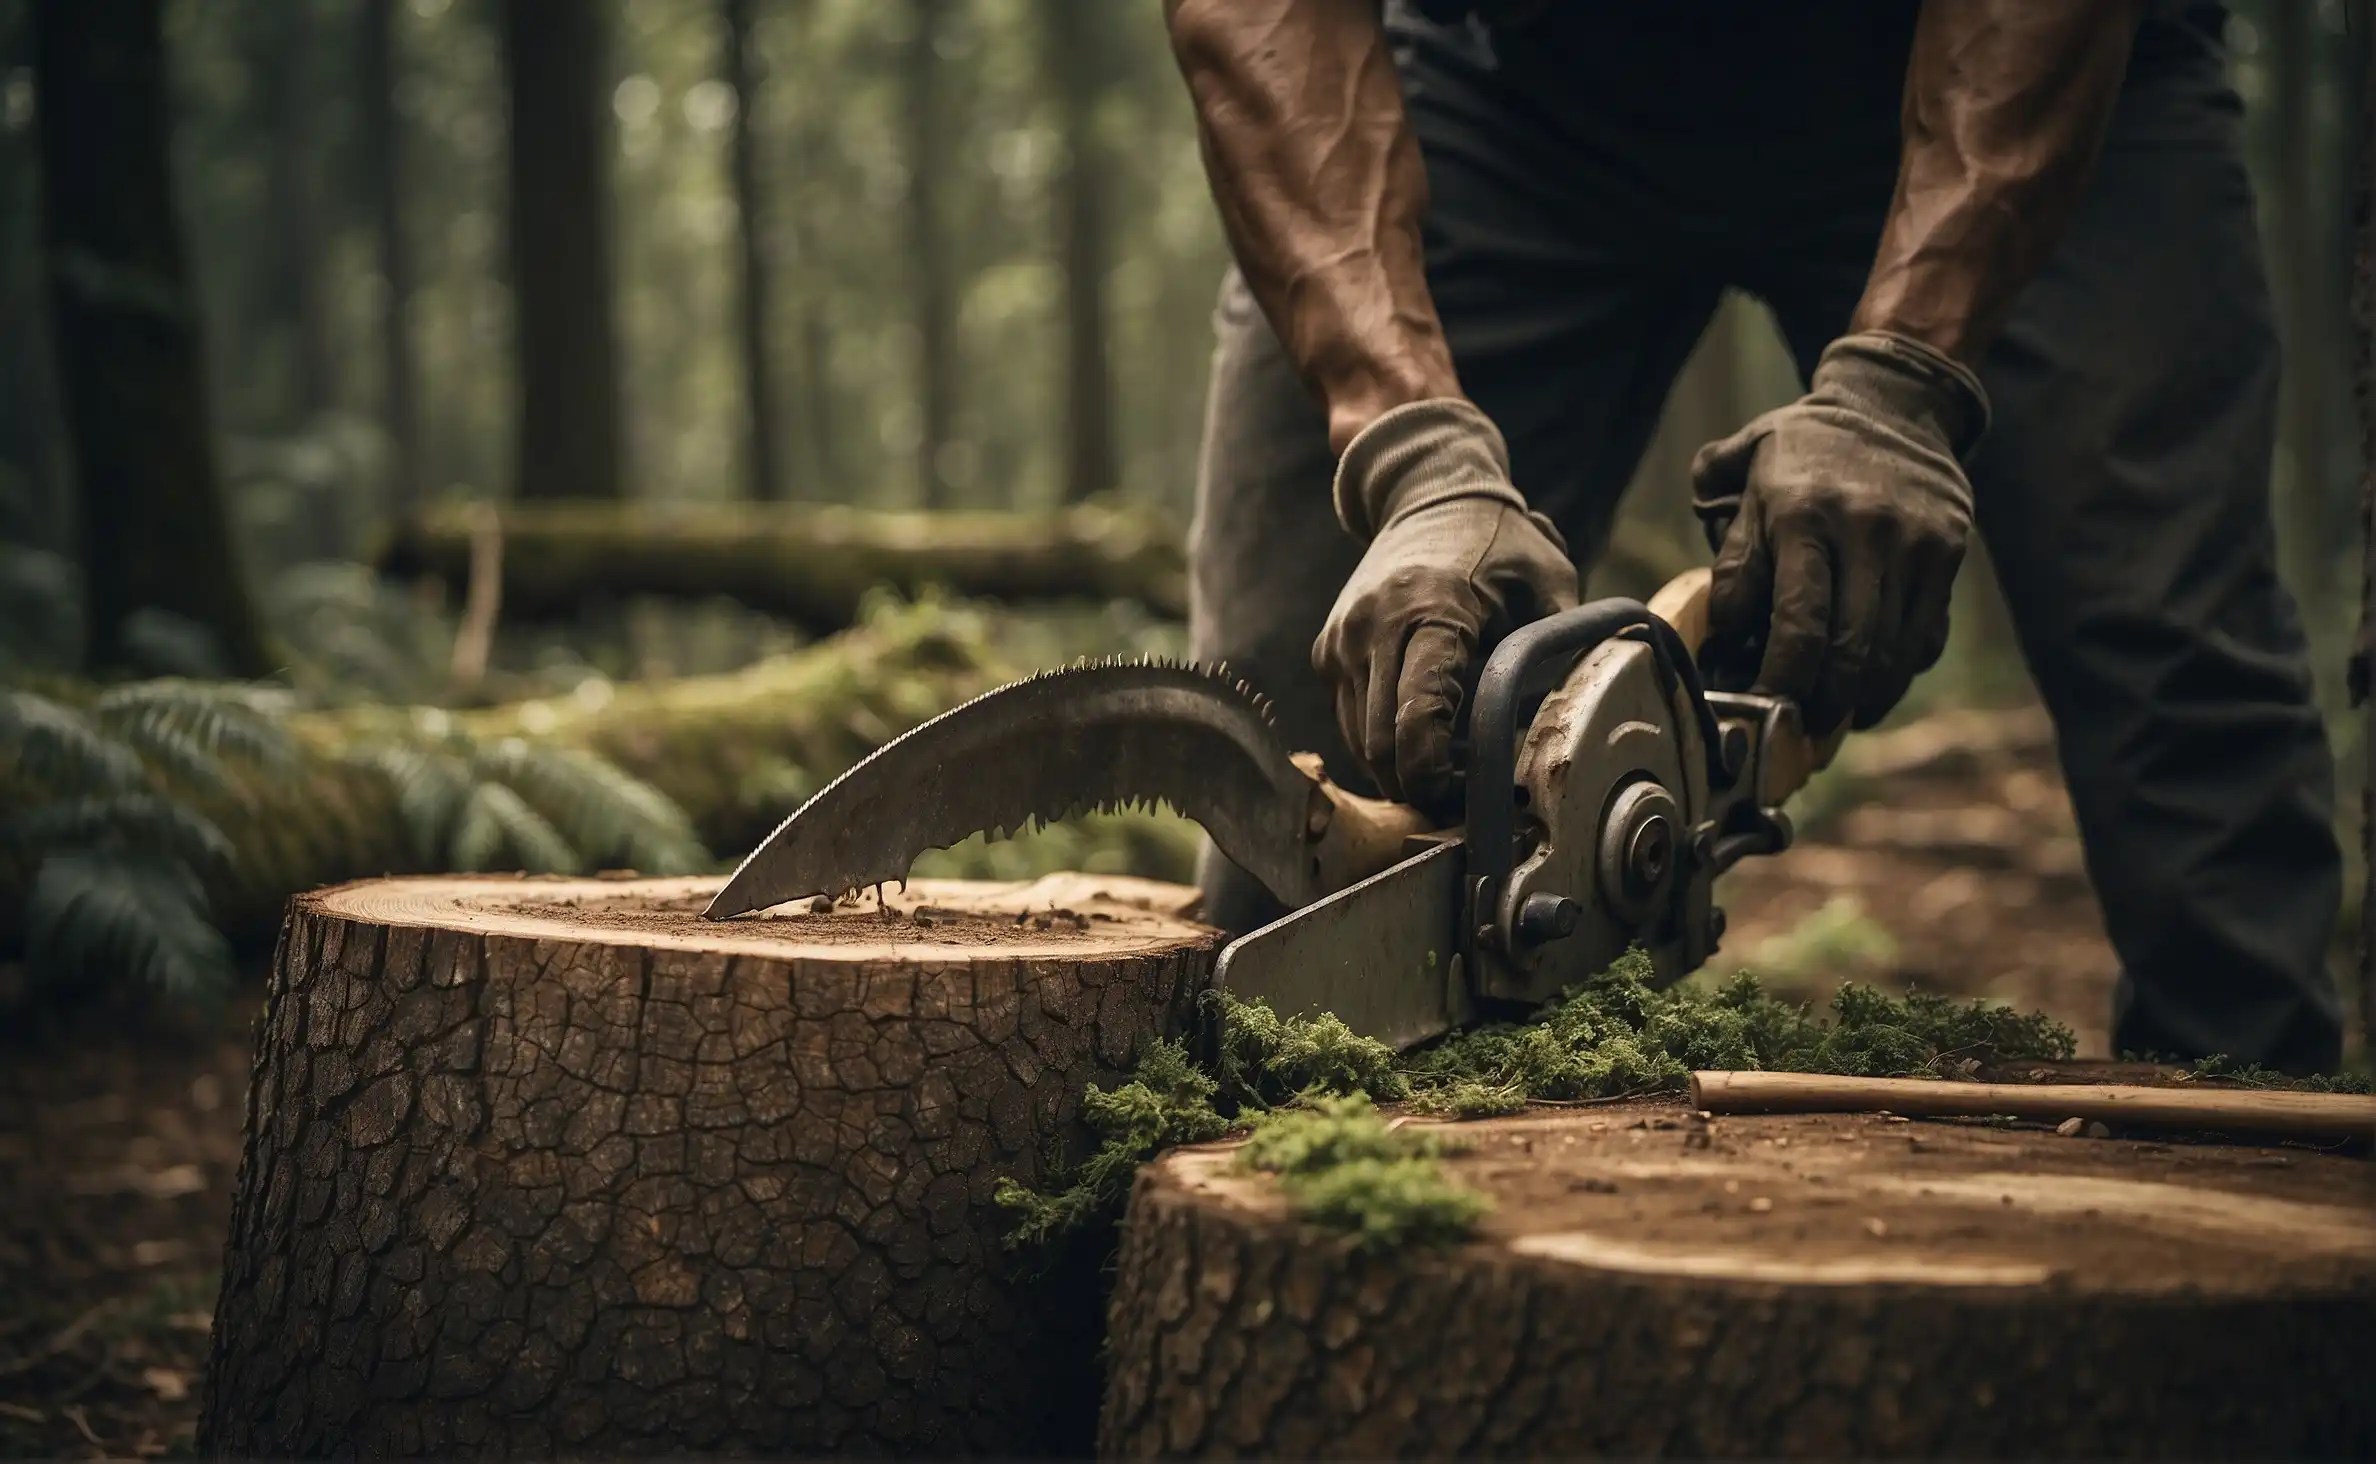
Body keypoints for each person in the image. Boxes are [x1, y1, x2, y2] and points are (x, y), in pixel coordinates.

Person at [1165, 0, 2343, 1070]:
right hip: (1507, 85)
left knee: (2173, 658)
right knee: (1325, 702)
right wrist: (1411, 450)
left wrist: (1902, 383)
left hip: (2025, 61)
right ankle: (1273, 1159)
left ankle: (2255, 1140)